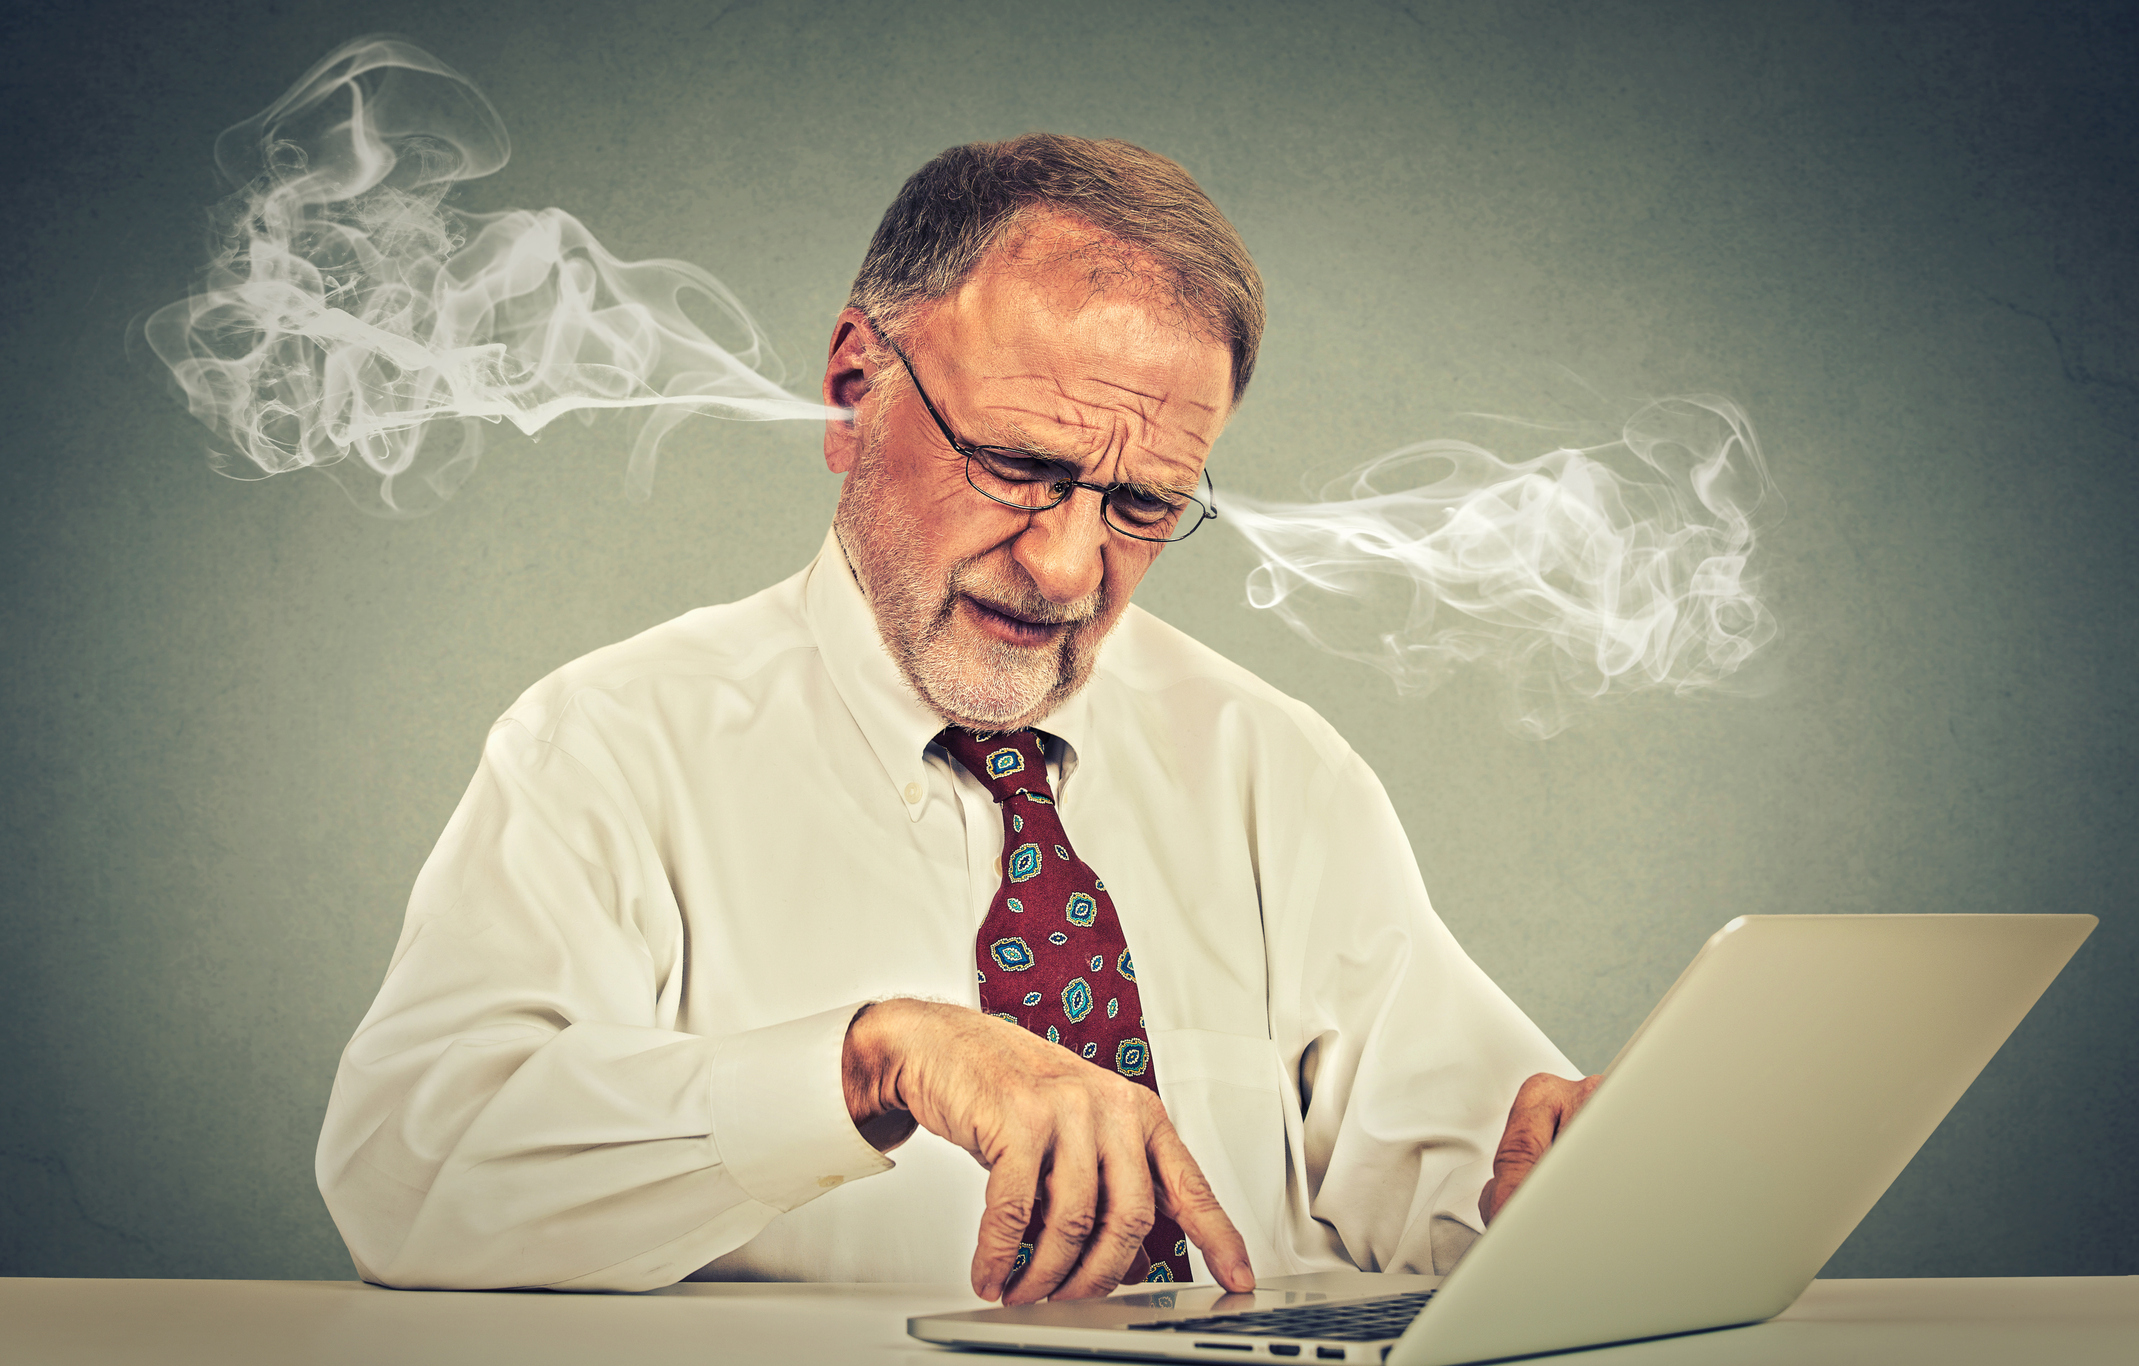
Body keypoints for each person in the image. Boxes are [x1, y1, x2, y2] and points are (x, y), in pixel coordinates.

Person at [316, 134, 1598, 1301]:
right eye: (1022, 467)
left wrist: (1555, 1173)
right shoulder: (610, 745)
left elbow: (1464, 1174)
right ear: (852, 385)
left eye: (1143, 505)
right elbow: (410, 1174)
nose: (1067, 567)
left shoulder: (1272, 768)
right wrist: (869, 1063)